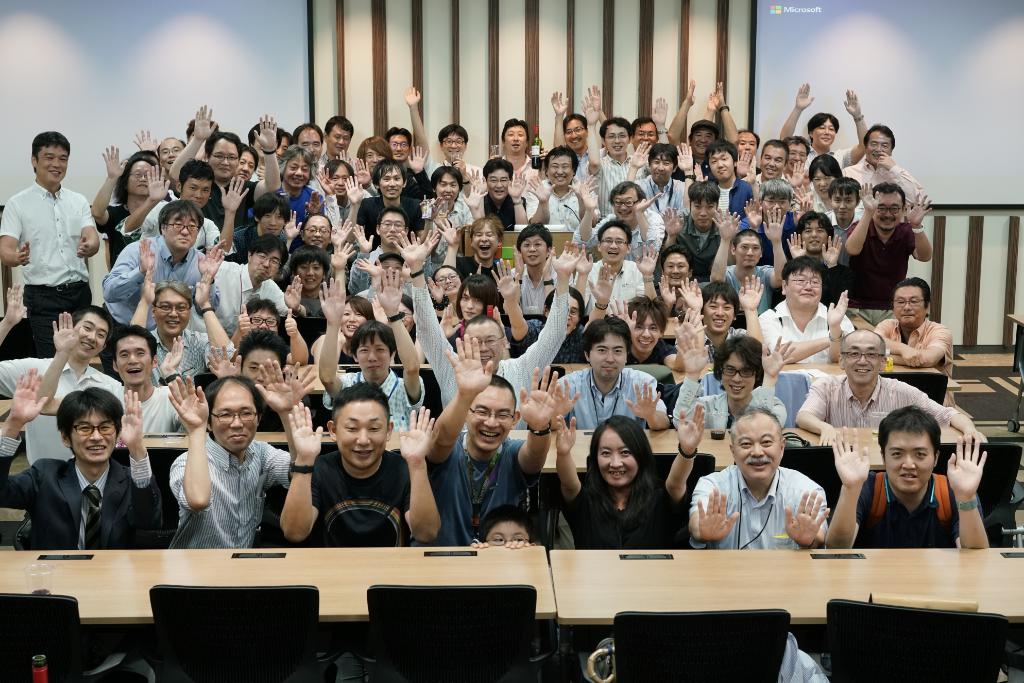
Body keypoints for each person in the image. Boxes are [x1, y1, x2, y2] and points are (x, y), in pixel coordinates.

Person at [425, 340, 571, 545]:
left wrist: (539, 426)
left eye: (503, 414)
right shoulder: (450, 449)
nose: (491, 423)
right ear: (466, 412)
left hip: (499, 557)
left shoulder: (511, 452)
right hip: (445, 557)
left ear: (515, 419)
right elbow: (441, 440)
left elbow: (534, 456)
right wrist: (464, 395)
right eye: (482, 411)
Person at [411, 227, 578, 406]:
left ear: (503, 341)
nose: (483, 348)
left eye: (490, 340)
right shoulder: (451, 369)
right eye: (475, 341)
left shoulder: (520, 369)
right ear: (463, 344)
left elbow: (554, 335)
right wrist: (416, 269)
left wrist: (562, 279)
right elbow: (427, 330)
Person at [0, 372, 161, 550]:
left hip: (113, 568)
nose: (96, 437)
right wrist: (13, 425)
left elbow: (149, 522)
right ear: (65, 437)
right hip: (58, 568)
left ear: (117, 435)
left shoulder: (132, 481)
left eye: (105, 427)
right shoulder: (44, 475)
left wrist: (137, 448)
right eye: (84, 428)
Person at [279, 385, 440, 546]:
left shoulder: (406, 469)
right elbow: (294, 533)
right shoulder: (318, 469)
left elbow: (426, 534)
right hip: (331, 563)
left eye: (374, 428)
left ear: (389, 430)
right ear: (333, 430)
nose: (363, 440)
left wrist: (418, 464)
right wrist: (304, 460)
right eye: (352, 428)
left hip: (392, 563)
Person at [166, 370, 308, 549]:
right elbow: (198, 501)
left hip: (242, 564)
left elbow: (298, 471)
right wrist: (196, 430)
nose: (237, 423)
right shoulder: (186, 462)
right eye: (225, 415)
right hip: (194, 565)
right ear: (209, 422)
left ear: (259, 418)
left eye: (246, 413)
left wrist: (286, 414)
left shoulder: (260, 452)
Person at [826, 407, 988, 549]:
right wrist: (850, 490)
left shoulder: (953, 490)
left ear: (936, 458)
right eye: (897, 454)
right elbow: (837, 547)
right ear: (883, 456)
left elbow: (975, 557)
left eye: (920, 454)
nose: (909, 464)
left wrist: (966, 497)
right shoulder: (867, 486)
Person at [0, 131, 100, 356]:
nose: (57, 164)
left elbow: (91, 236)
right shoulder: (17, 203)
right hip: (43, 297)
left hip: (79, 292)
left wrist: (91, 245)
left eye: (63, 159)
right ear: (34, 161)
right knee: (51, 359)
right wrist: (16, 257)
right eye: (49, 157)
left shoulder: (78, 200)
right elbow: (5, 250)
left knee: (82, 355)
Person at [795, 330, 983, 444]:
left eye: (871, 354)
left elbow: (948, 415)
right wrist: (825, 428)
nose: (862, 361)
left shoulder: (901, 392)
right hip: (840, 469)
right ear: (841, 361)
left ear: (883, 362)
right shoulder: (826, 386)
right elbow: (804, 416)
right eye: (853, 354)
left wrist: (970, 430)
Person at [553, 410, 702, 549]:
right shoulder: (586, 502)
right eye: (606, 453)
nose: (615, 463)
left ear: (640, 455)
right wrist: (563, 453)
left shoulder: (659, 500)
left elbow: (676, 484)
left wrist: (686, 451)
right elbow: (569, 485)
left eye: (625, 452)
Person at [688, 408, 829, 549]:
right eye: (746, 444)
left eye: (766, 442)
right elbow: (696, 525)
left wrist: (809, 541)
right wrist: (702, 533)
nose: (757, 452)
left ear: (781, 447)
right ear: (733, 451)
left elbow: (818, 538)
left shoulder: (806, 490)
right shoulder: (713, 486)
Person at [0, 306, 122, 463]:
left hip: (94, 473)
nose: (92, 337)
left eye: (101, 335)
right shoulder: (32, 370)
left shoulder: (111, 386)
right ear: (70, 327)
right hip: (41, 475)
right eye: (87, 328)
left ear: (103, 346)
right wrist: (7, 323)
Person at [320, 270, 424, 430]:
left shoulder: (403, 386)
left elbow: (412, 368)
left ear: (392, 353)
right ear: (355, 356)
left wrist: (393, 314)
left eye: (380, 349)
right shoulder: (348, 383)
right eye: (364, 350)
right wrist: (333, 324)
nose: (372, 357)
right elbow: (327, 378)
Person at [103, 200, 222, 327]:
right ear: (163, 228)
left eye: (192, 226)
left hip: (164, 331)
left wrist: (209, 279)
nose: (185, 232)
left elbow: (206, 309)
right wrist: (140, 272)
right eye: (178, 225)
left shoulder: (201, 262)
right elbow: (109, 293)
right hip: (121, 324)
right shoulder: (139, 250)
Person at [169, 107, 281, 228]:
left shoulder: (243, 187)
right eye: (219, 156)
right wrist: (198, 140)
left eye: (232, 157)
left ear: (238, 160)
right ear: (207, 156)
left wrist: (269, 150)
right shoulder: (199, 184)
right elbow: (175, 174)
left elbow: (272, 186)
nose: (225, 162)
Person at [561, 317, 671, 430]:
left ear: (627, 355)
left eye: (617, 351)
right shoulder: (568, 385)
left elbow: (664, 422)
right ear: (587, 355)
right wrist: (553, 416)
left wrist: (651, 416)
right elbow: (553, 425)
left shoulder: (642, 383)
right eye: (602, 350)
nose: (610, 359)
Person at [845, 182, 932, 325]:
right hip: (857, 308)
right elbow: (852, 249)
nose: (888, 214)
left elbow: (925, 256)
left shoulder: (906, 231)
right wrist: (868, 212)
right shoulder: (860, 226)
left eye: (894, 208)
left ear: (903, 209)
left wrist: (917, 226)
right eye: (881, 208)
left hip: (893, 308)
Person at [119, 160, 235, 252]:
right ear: (179, 187)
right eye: (193, 188)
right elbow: (127, 229)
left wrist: (230, 212)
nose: (199, 195)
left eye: (205, 190)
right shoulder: (160, 209)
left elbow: (223, 249)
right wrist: (151, 200)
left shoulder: (207, 225)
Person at [675, 335, 787, 429]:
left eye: (746, 371)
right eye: (730, 370)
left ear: (757, 375)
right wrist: (692, 375)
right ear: (721, 372)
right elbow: (680, 422)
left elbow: (763, 430)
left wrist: (769, 379)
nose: (736, 379)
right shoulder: (708, 406)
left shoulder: (774, 406)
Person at [131, 277, 232, 380]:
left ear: (189, 312)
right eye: (165, 307)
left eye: (181, 308)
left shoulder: (198, 341)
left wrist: (205, 305)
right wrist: (144, 302)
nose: (173, 314)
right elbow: (130, 346)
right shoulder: (145, 343)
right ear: (153, 311)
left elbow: (226, 358)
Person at [758, 256, 854, 364]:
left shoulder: (836, 317)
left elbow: (842, 360)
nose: (808, 287)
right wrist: (832, 338)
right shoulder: (768, 318)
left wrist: (835, 328)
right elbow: (781, 354)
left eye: (815, 282)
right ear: (784, 286)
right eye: (800, 280)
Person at [209, 235, 288, 337]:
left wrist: (297, 308)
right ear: (249, 255)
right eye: (262, 256)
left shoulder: (270, 287)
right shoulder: (221, 270)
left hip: (238, 343)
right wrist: (208, 277)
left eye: (274, 261)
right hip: (205, 337)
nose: (266, 264)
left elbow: (288, 309)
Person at [875, 277, 953, 378]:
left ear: (927, 307)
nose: (906, 307)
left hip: (927, 387)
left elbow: (929, 359)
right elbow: (873, 342)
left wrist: (882, 357)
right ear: (893, 307)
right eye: (900, 302)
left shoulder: (940, 331)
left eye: (914, 301)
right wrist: (903, 349)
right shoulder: (887, 325)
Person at [91, 148, 158, 264]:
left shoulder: (162, 211)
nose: (143, 179)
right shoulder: (115, 213)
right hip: (123, 273)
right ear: (125, 182)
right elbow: (97, 213)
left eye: (148, 175)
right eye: (138, 175)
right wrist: (112, 178)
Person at [710, 210, 785, 315]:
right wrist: (725, 240)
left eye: (755, 248)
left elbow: (780, 278)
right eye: (744, 247)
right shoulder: (726, 273)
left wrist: (777, 242)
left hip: (761, 323)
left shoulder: (765, 273)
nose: (750, 253)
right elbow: (716, 280)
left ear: (761, 253)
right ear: (733, 250)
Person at [778, 84, 867, 170]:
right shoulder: (801, 153)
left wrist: (858, 116)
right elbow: (784, 139)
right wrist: (798, 109)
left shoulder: (840, 157)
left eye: (831, 129)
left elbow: (864, 146)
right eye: (822, 128)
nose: (827, 132)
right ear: (811, 133)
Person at [575, 181, 665, 263]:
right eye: (618, 202)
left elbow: (653, 249)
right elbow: (582, 242)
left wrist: (640, 214)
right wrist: (589, 211)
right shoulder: (611, 220)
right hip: (614, 272)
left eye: (628, 202)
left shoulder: (653, 219)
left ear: (641, 201)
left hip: (644, 273)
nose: (623, 208)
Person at [842, 124, 924, 202]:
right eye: (874, 144)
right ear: (865, 147)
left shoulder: (898, 173)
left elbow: (918, 200)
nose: (878, 149)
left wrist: (894, 169)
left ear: (891, 151)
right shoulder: (848, 172)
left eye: (884, 146)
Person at [786, 211, 852, 307]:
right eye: (808, 231)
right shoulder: (789, 269)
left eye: (820, 230)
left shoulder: (843, 273)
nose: (814, 235)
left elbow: (838, 304)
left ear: (829, 236)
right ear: (800, 237)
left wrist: (832, 266)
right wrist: (799, 263)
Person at [661, 181, 721, 281]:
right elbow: (666, 260)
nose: (703, 213)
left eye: (710, 207)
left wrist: (726, 240)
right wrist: (672, 236)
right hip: (681, 279)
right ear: (690, 205)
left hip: (713, 279)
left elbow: (730, 265)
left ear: (717, 207)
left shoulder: (725, 225)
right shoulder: (678, 221)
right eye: (697, 206)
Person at [584, 100, 634, 215]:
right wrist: (591, 126)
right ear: (603, 141)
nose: (617, 141)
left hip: (635, 222)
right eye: (611, 136)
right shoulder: (600, 164)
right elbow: (594, 163)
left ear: (630, 139)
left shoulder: (639, 163)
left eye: (622, 136)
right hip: (606, 222)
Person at [585, 221, 647, 307]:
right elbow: (578, 308)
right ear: (599, 246)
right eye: (608, 240)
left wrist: (648, 276)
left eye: (619, 241)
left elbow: (647, 306)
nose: (613, 246)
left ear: (628, 248)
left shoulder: (637, 269)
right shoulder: (587, 271)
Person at [232, 296, 309, 367]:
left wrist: (295, 334)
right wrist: (239, 331)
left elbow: (300, 361)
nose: (263, 326)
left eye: (270, 321)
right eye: (257, 320)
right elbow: (231, 359)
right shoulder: (240, 344)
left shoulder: (278, 347)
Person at [525, 146, 582, 231]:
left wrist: (582, 200)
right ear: (546, 171)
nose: (560, 172)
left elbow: (593, 223)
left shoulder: (583, 189)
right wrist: (543, 203)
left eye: (565, 166)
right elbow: (535, 227)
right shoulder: (537, 190)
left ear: (574, 170)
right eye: (555, 166)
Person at [468, 158, 527, 231]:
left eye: (503, 180)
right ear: (485, 181)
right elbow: (481, 231)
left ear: (511, 180)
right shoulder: (478, 201)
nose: (499, 185)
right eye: (493, 180)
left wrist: (517, 200)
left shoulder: (519, 201)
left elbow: (523, 232)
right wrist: (480, 195)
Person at [228, 193, 290, 262]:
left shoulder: (282, 238)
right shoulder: (239, 240)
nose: (273, 223)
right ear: (256, 217)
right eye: (267, 216)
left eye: (279, 217)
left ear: (286, 221)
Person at [705, 140, 754, 220]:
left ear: (735, 162)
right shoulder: (708, 190)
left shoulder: (746, 188)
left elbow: (754, 217)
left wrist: (736, 226)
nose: (720, 165)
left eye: (724, 159)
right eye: (714, 161)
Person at [515, 224, 555, 315]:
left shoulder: (560, 275)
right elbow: (508, 312)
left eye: (537, 244)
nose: (532, 249)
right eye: (527, 245)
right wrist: (518, 278)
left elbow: (558, 314)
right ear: (519, 252)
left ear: (549, 251)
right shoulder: (513, 274)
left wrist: (547, 277)